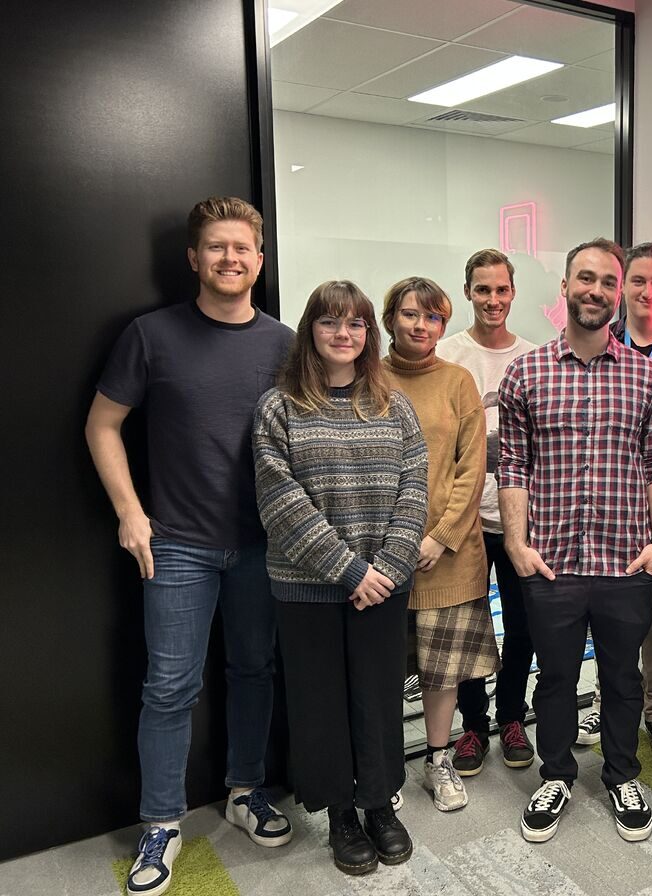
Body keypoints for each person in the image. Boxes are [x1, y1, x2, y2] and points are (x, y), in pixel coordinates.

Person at [85, 197, 294, 896]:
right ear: (194, 259)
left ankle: (244, 791)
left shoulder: (284, 344)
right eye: (217, 247)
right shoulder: (151, 335)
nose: (231, 259)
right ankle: (162, 822)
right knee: (169, 688)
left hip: (264, 544)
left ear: (259, 261)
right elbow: (103, 425)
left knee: (255, 670)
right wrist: (129, 512)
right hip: (174, 544)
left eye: (243, 248)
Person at [498, 238, 652, 844]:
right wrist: (518, 545)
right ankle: (558, 773)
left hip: (626, 557)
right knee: (554, 676)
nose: (596, 290)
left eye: (608, 281)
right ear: (566, 287)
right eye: (586, 278)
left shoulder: (646, 373)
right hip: (551, 560)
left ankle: (623, 772)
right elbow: (514, 466)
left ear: (618, 292)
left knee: (623, 677)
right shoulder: (526, 371)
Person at [253, 281, 427, 876]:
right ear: (311, 332)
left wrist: (389, 567)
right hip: (308, 589)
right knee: (320, 703)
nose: (343, 334)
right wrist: (350, 570)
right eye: (330, 323)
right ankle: (341, 816)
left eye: (354, 324)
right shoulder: (280, 406)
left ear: (368, 335)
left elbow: (414, 490)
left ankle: (378, 804)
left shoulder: (391, 404)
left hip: (384, 583)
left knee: (378, 699)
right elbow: (280, 500)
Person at [382, 276, 497, 812]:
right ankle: (381, 767)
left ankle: (437, 759)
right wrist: (395, 543)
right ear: (389, 319)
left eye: (432, 317)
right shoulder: (369, 379)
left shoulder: (458, 382)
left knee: (443, 671)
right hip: (380, 558)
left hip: (448, 558)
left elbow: (471, 469)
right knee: (380, 670)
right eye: (410, 314)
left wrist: (441, 536)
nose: (420, 325)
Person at [576, 241, 652, 758]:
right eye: (637, 281)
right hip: (605, 510)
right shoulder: (598, 345)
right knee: (606, 612)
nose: (647, 291)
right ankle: (605, 696)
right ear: (623, 290)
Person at [439, 249, 539, 776]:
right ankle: (473, 727)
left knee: (523, 627)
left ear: (513, 292)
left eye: (501, 290)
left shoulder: (534, 357)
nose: (493, 300)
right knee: (470, 628)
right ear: (468, 293)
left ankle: (512, 717)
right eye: (483, 290)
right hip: (466, 521)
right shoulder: (449, 355)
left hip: (521, 523)